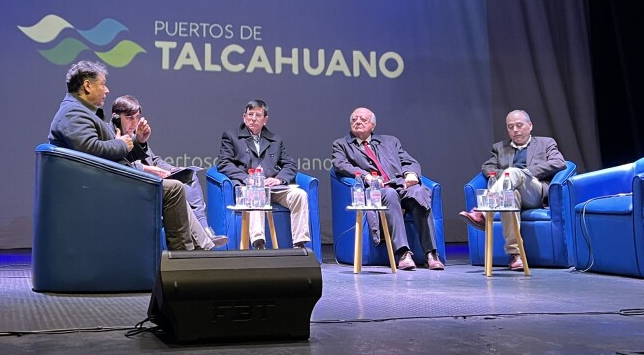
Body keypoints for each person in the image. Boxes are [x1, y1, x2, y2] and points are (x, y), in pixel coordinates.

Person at [48, 60, 204, 250]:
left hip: (108, 181)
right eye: (103, 84)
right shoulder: (73, 113)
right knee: (174, 189)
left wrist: (136, 143)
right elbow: (89, 150)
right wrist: (122, 144)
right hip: (103, 188)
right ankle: (182, 259)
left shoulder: (82, 111)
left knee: (178, 183)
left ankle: (199, 249)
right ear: (87, 85)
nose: (106, 90)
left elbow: (108, 153)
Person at [331, 107, 444, 271]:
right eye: (354, 119)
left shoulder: (390, 141)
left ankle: (431, 254)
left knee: (420, 192)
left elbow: (409, 161)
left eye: (363, 119)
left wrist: (410, 174)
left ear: (373, 125)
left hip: (399, 184)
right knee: (389, 194)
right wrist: (365, 176)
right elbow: (340, 165)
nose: (358, 122)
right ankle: (403, 253)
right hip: (377, 189)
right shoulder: (341, 144)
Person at [111, 94, 228, 249]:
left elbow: (154, 159)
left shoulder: (135, 136)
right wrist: (147, 169)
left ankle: (205, 230)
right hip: (138, 184)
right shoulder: (114, 138)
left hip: (152, 179)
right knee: (176, 189)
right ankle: (203, 244)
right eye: (129, 118)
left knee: (189, 177)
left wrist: (171, 169)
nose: (134, 123)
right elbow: (121, 166)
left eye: (137, 118)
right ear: (117, 118)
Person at [458, 109, 567, 271]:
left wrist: (525, 172)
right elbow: (487, 167)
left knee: (514, 172)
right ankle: (515, 255)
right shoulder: (500, 148)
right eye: (510, 127)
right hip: (509, 193)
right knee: (509, 195)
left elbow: (559, 163)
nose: (515, 130)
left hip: (534, 192)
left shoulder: (545, 143)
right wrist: (507, 175)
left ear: (529, 126)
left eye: (519, 125)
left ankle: (483, 210)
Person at [216, 100, 312, 249]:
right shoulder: (231, 136)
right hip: (248, 188)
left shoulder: (275, 139)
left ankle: (300, 244)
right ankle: (258, 242)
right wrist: (247, 179)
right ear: (244, 117)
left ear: (265, 120)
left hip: (273, 188)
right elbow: (223, 163)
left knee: (299, 194)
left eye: (258, 115)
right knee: (257, 194)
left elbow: (290, 164)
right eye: (250, 114)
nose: (253, 118)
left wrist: (279, 179)